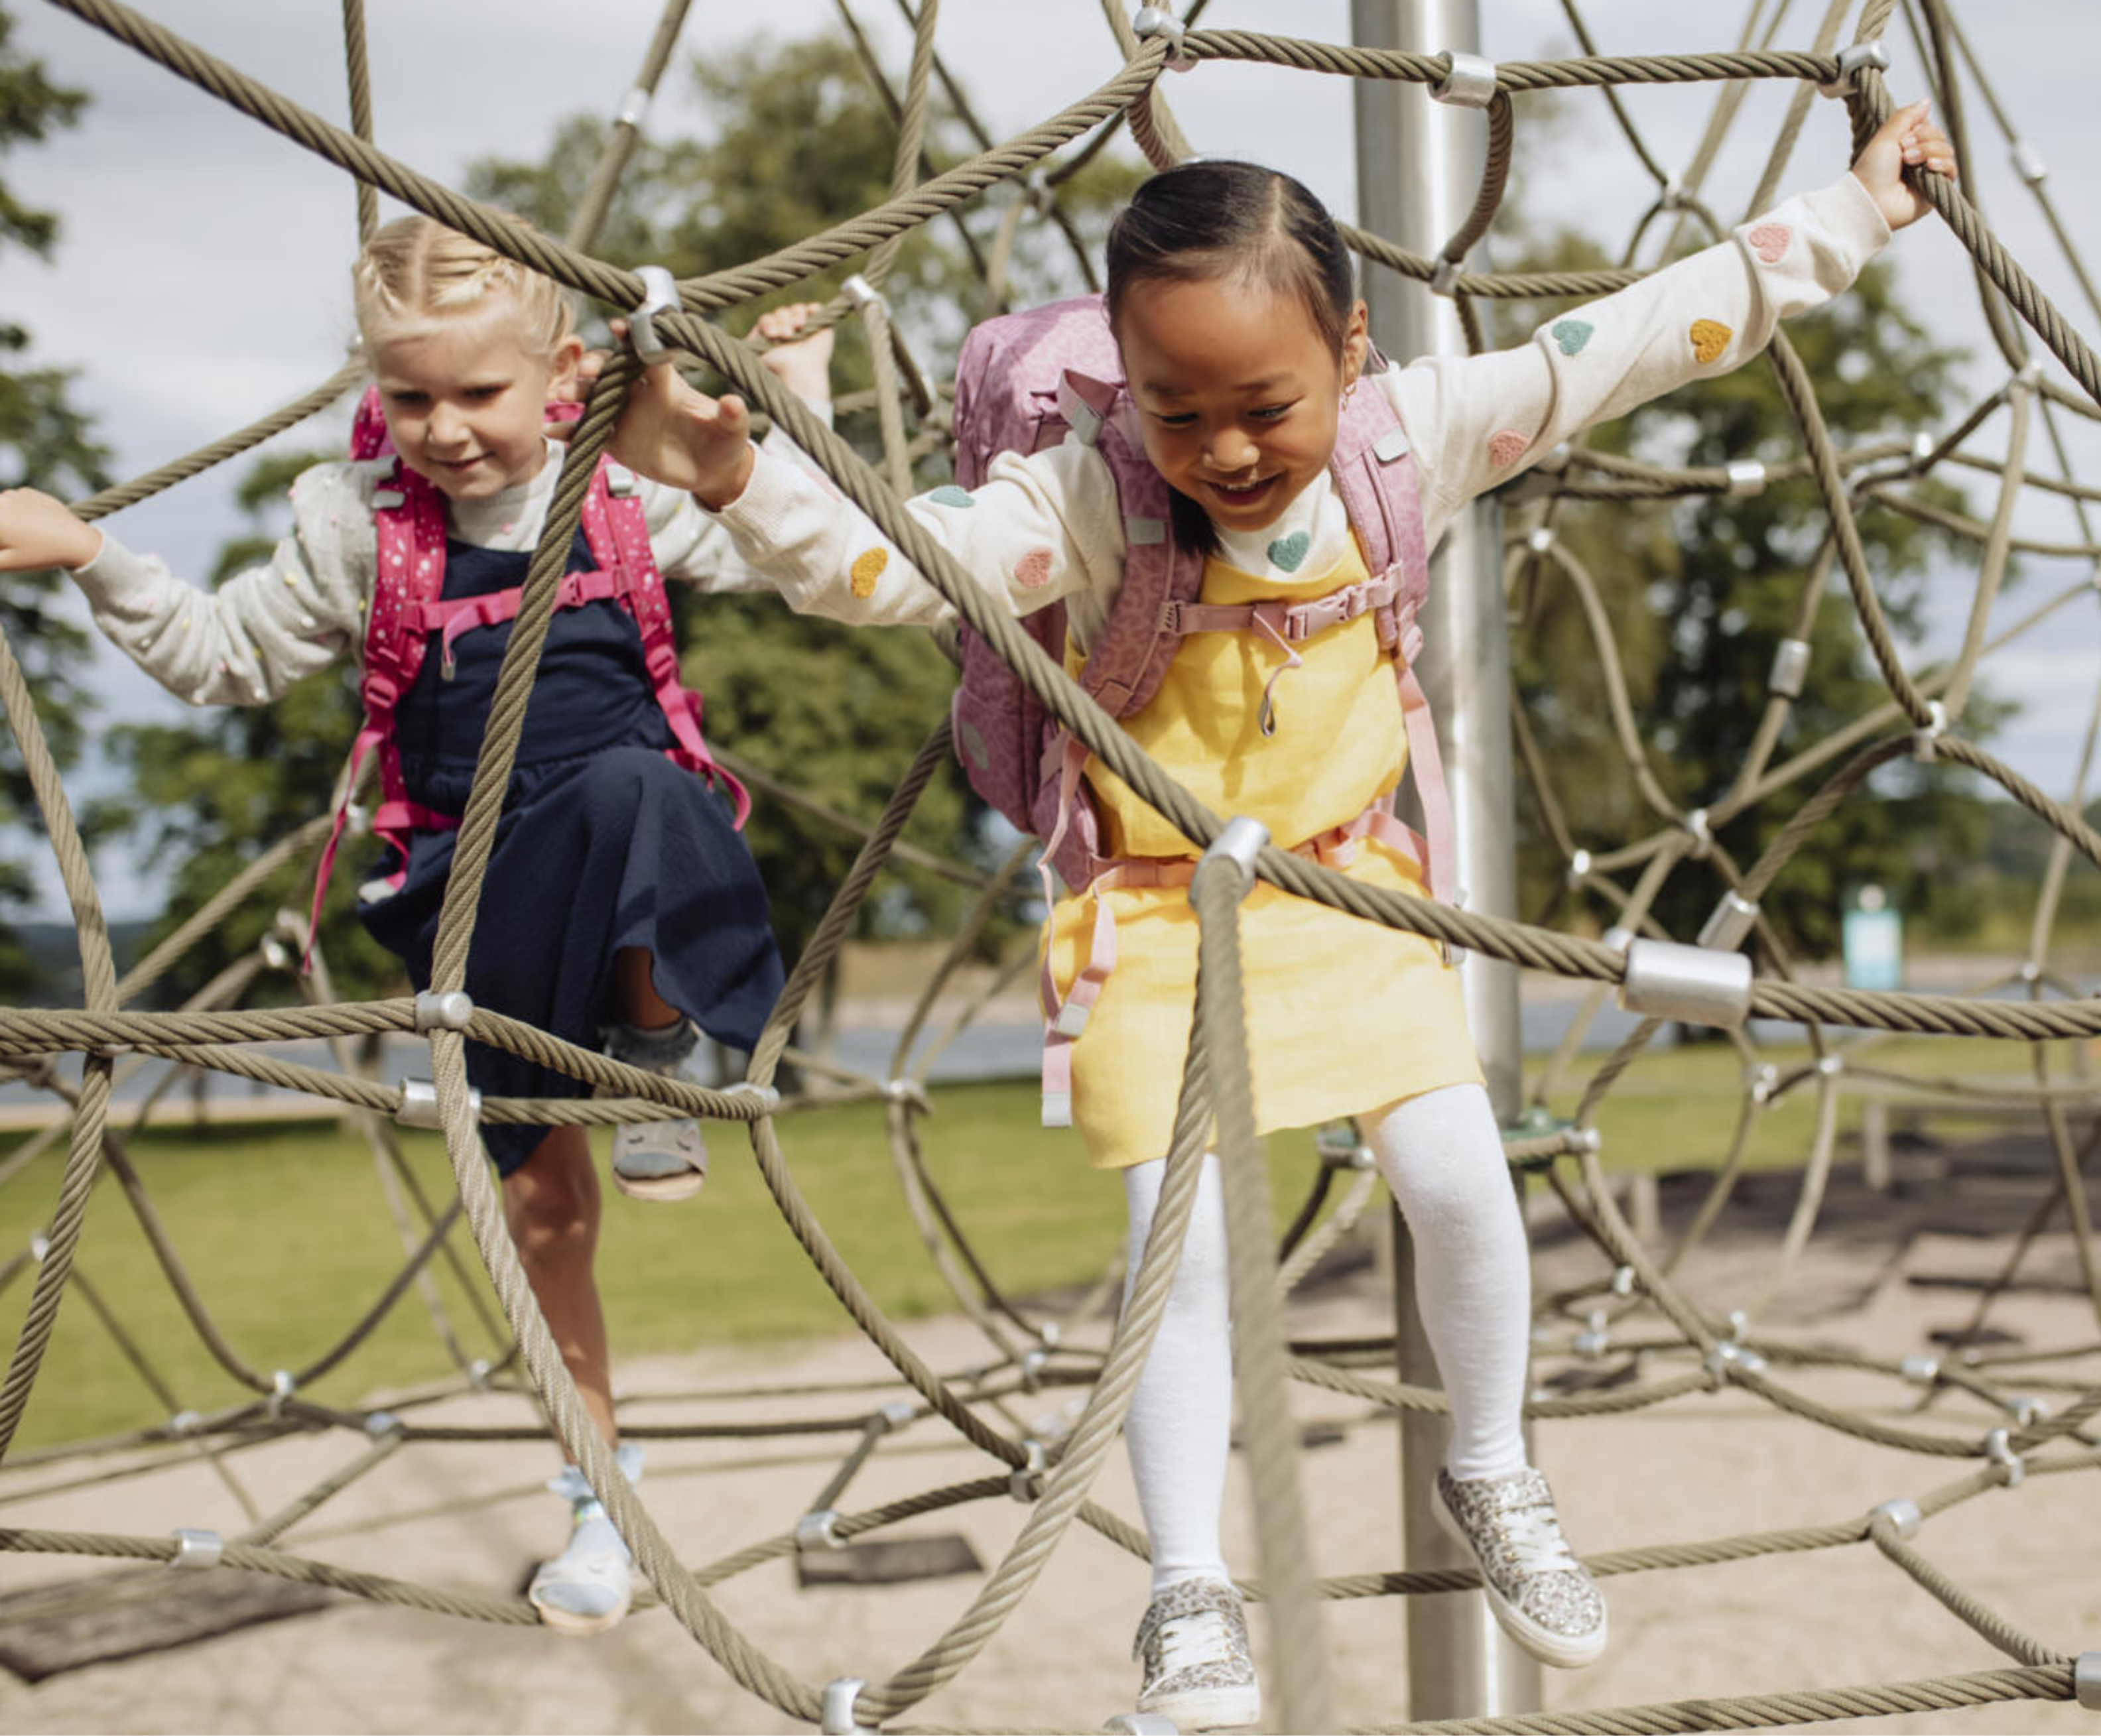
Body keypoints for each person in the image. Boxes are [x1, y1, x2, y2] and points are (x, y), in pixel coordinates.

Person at [600, 101, 1956, 1727]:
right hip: (1158, 915)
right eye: (1178, 409)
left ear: (1354, 352)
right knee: (1177, 1256)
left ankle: (1494, 1463)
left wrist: (1862, 214)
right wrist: (743, 467)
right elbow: (904, 566)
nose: (1229, 448)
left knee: (1460, 1180)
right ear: (1120, 371)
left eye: (1267, 403)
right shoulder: (1092, 498)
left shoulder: (1414, 432)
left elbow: (1656, 332)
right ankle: (1190, 1591)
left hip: (1345, 884)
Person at [0, 215, 837, 1635]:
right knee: (542, 1211)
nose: (445, 429)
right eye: (411, 398)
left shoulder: (624, 486)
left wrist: (792, 413)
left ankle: (652, 1047)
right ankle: (599, 1499)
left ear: (565, 373)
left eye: (478, 394)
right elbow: (224, 655)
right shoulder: (356, 523)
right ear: (373, 393)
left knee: (643, 786)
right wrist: (93, 554)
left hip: (625, 862)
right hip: (465, 906)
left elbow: (793, 553)